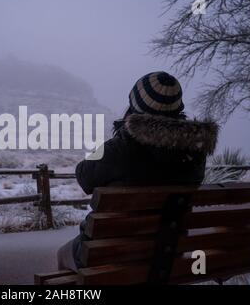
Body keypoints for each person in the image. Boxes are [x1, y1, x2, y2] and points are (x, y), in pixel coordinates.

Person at [57, 71, 219, 271]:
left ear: (135, 106)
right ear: (178, 107)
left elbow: (84, 175)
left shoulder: (121, 147)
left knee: (63, 255)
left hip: (115, 252)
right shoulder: (196, 153)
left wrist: (119, 136)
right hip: (170, 251)